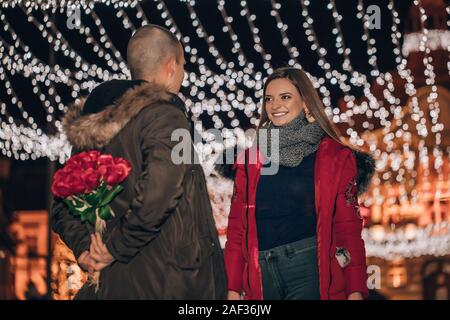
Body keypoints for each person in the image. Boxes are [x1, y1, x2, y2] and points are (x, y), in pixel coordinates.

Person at [51, 24, 227, 299]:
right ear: (171, 65)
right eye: (182, 65)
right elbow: (161, 192)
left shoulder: (95, 124)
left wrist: (87, 250)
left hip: (115, 284)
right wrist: (113, 248)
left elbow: (63, 203)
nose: (182, 73)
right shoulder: (169, 117)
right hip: (170, 282)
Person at [224, 67, 375, 300]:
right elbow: (236, 230)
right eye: (268, 99)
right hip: (261, 275)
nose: (275, 105)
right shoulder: (250, 161)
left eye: (285, 97)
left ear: (305, 102)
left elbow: (348, 228)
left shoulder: (335, 157)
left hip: (309, 271)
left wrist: (355, 290)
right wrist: (232, 288)